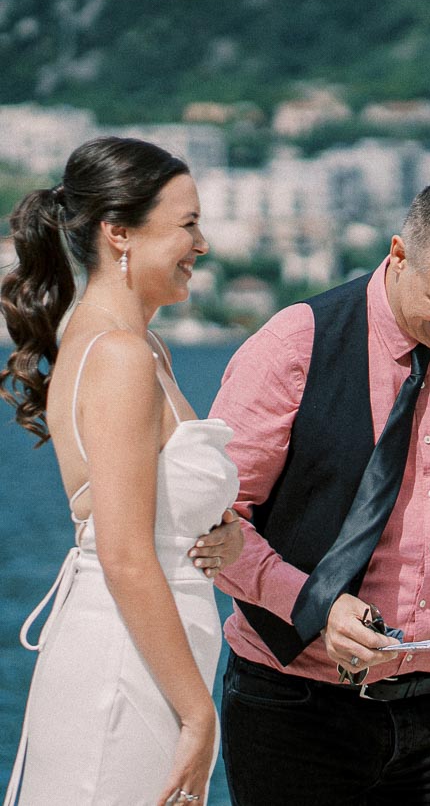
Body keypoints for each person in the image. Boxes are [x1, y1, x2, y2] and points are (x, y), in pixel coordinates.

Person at [210, 172, 430, 804]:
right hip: (293, 709)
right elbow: (216, 524)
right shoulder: (294, 343)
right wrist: (314, 605)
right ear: (398, 254)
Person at [1, 137, 243, 805]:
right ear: (119, 233)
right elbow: (126, 554)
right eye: (188, 224)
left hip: (156, 652)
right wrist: (199, 713)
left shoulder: (145, 347)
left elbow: (164, 517)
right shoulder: (120, 357)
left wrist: (230, 538)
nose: (202, 243)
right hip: (125, 663)